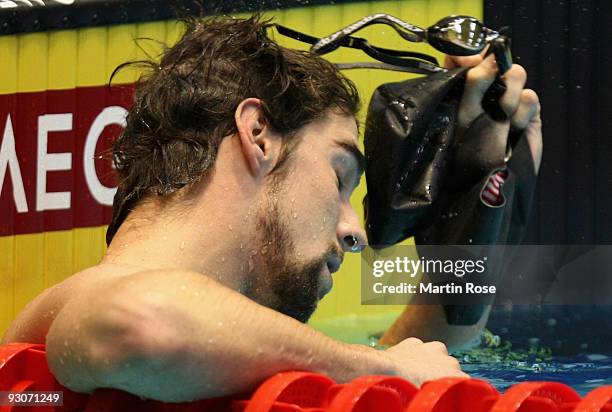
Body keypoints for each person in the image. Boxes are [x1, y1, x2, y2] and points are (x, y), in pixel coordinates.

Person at [1, 14, 541, 402]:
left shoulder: (215, 349)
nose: (354, 232)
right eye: (339, 176)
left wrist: (471, 235)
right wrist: (381, 363)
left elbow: (395, 377)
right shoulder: (94, 303)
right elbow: (138, 320)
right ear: (257, 135)